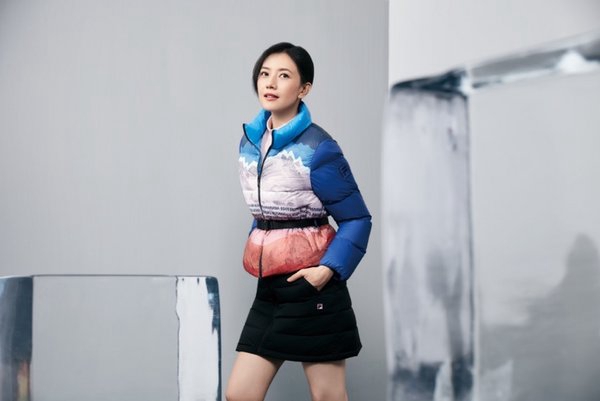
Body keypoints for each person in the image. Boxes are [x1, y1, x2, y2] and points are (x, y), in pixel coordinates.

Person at [226, 42, 371, 401]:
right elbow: (267, 214)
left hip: (312, 287)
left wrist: (327, 271)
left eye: (284, 75)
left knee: (328, 397)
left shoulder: (318, 148)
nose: (270, 82)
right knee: (240, 394)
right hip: (269, 288)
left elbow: (357, 218)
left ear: (304, 88)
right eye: (264, 73)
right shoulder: (249, 142)